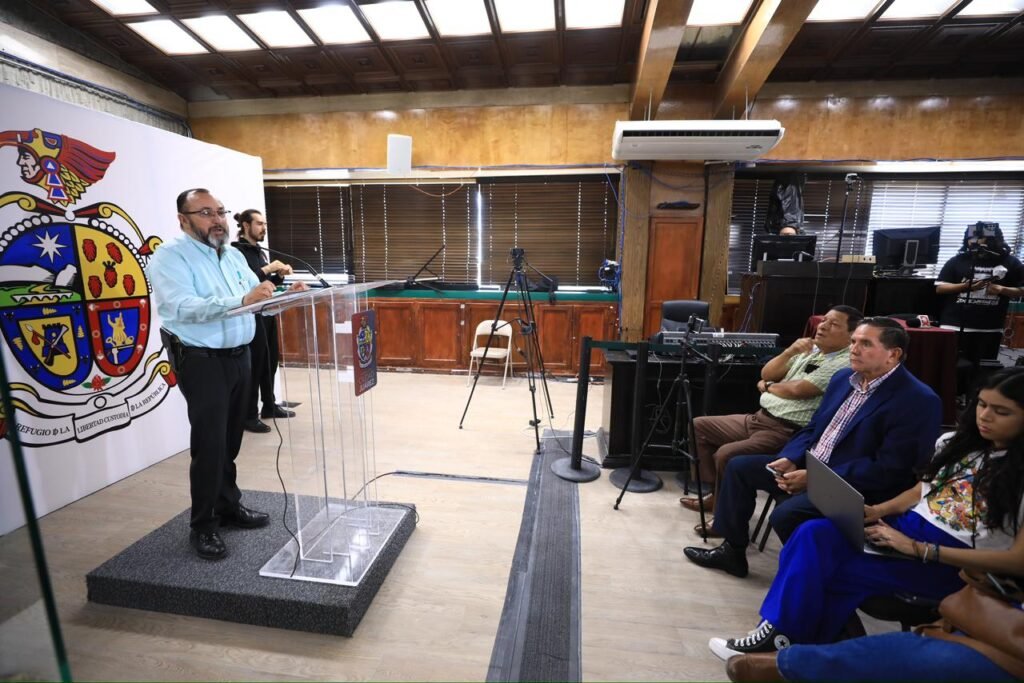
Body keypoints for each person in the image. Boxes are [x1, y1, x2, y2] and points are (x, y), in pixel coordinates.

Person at [706, 367, 1024, 664]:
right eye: (982, 405)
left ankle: (783, 643)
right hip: (906, 529)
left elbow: (1016, 561)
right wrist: (877, 511)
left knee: (825, 571)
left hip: (952, 561)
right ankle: (793, 645)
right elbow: (923, 491)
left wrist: (918, 549)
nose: (985, 416)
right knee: (813, 533)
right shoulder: (957, 444)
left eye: (1001, 411)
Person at [684, 317, 941, 578]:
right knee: (739, 467)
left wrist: (815, 479)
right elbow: (813, 427)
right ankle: (732, 552)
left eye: (865, 344)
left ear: (893, 354)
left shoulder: (917, 400)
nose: (854, 349)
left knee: (785, 515)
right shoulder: (844, 379)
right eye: (853, 342)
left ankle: (812, 579)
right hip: (811, 466)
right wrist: (790, 457)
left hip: (855, 486)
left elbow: (890, 468)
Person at [147, 188, 307, 560]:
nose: (217, 219)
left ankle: (228, 505)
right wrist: (244, 300)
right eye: (205, 213)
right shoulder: (171, 256)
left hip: (240, 355)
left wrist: (283, 298)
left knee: (232, 439)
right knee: (210, 444)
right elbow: (182, 307)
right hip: (201, 359)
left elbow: (255, 303)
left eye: (220, 212)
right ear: (183, 219)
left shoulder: (232, 255)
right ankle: (203, 525)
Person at [683, 306, 862, 536]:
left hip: (784, 430)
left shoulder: (844, 364)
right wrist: (789, 352)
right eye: (824, 320)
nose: (823, 326)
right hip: (759, 417)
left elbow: (798, 390)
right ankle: (716, 494)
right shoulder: (810, 350)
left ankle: (724, 519)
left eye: (833, 324)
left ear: (851, 335)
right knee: (699, 427)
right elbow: (767, 372)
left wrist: (768, 387)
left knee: (727, 455)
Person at [231, 209, 296, 433]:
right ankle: (249, 415)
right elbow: (245, 282)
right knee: (255, 365)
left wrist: (279, 276)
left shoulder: (259, 252)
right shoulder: (236, 252)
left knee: (270, 361)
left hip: (267, 312)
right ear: (246, 226)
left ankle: (269, 405)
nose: (264, 228)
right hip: (251, 316)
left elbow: (264, 285)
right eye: (259, 224)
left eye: (265, 224)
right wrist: (269, 268)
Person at [936, 222, 1024, 366]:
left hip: (990, 327)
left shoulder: (1010, 262)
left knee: (983, 371)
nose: (973, 241)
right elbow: (940, 288)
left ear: (993, 239)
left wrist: (1002, 290)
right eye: (970, 238)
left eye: (979, 237)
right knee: (949, 367)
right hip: (955, 324)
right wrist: (966, 286)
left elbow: (1021, 290)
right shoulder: (957, 261)